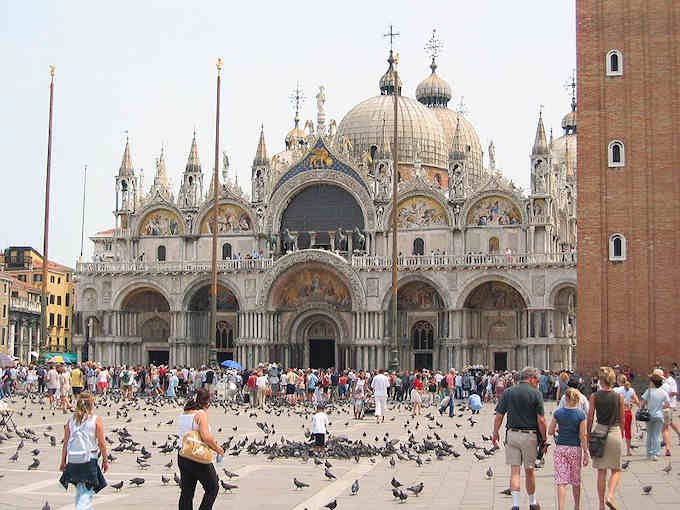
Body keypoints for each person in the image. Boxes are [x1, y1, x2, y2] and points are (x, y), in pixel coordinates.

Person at [492, 366, 546, 510]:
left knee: (515, 471)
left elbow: (499, 416)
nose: (538, 383)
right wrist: (544, 439)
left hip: (512, 435)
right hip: (529, 436)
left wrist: (495, 432)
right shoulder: (536, 394)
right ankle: (532, 502)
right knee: (529, 470)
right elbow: (541, 420)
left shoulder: (509, 392)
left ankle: (515, 505)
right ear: (532, 378)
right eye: (537, 380)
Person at [58, 392, 108, 509]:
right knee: (85, 492)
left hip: (73, 460)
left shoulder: (70, 420)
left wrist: (63, 461)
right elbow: (101, 443)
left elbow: (65, 443)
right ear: (91, 405)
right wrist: (105, 460)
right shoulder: (96, 420)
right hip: (89, 460)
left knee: (82, 489)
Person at [178, 389, 224, 510]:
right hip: (197, 456)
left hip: (183, 455)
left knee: (187, 492)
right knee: (213, 487)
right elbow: (206, 437)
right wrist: (218, 449)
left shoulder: (185, 413)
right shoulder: (200, 414)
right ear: (207, 402)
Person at [587, 366, 624, 510]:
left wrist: (588, 435)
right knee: (616, 469)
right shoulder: (619, 397)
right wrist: (622, 435)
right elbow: (622, 420)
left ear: (600, 380)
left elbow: (590, 418)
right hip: (614, 432)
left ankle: (601, 505)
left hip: (599, 431)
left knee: (601, 471)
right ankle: (611, 496)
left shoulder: (594, 396)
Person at [549, 388, 589, 510]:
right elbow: (583, 435)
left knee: (561, 481)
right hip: (575, 449)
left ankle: (561, 507)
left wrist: (557, 429)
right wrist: (586, 452)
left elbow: (550, 431)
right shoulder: (581, 415)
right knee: (575, 481)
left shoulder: (558, 413)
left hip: (561, 448)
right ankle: (577, 507)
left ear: (565, 398)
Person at [640, 370, 670, 461]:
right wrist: (661, 407)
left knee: (649, 435)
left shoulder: (648, 391)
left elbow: (643, 403)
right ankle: (656, 454)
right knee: (657, 435)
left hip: (649, 415)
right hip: (659, 416)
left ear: (652, 382)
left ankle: (649, 453)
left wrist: (644, 407)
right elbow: (667, 404)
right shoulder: (663, 392)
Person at [613, 374, 639, 456]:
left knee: (618, 432)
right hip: (628, 412)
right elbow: (637, 402)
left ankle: (618, 450)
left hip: (619, 412)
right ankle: (628, 451)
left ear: (618, 381)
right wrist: (630, 402)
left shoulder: (616, 390)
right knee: (628, 431)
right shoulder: (631, 390)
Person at [660, 367, 680, 456]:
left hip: (669, 405)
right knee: (669, 423)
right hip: (666, 405)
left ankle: (666, 443)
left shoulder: (671, 381)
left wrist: (665, 396)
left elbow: (674, 392)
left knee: (666, 426)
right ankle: (666, 441)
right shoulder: (665, 381)